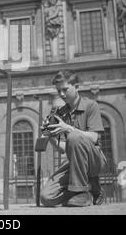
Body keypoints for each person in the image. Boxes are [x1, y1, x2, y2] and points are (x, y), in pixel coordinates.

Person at [40, 70, 107, 207]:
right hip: (74, 162)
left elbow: (94, 138)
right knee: (46, 197)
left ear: (77, 87)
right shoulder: (61, 113)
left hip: (94, 160)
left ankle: (82, 192)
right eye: (59, 91)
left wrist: (68, 128)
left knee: (75, 136)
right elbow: (64, 149)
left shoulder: (90, 105)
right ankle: (89, 191)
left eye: (65, 89)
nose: (62, 94)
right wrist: (51, 134)